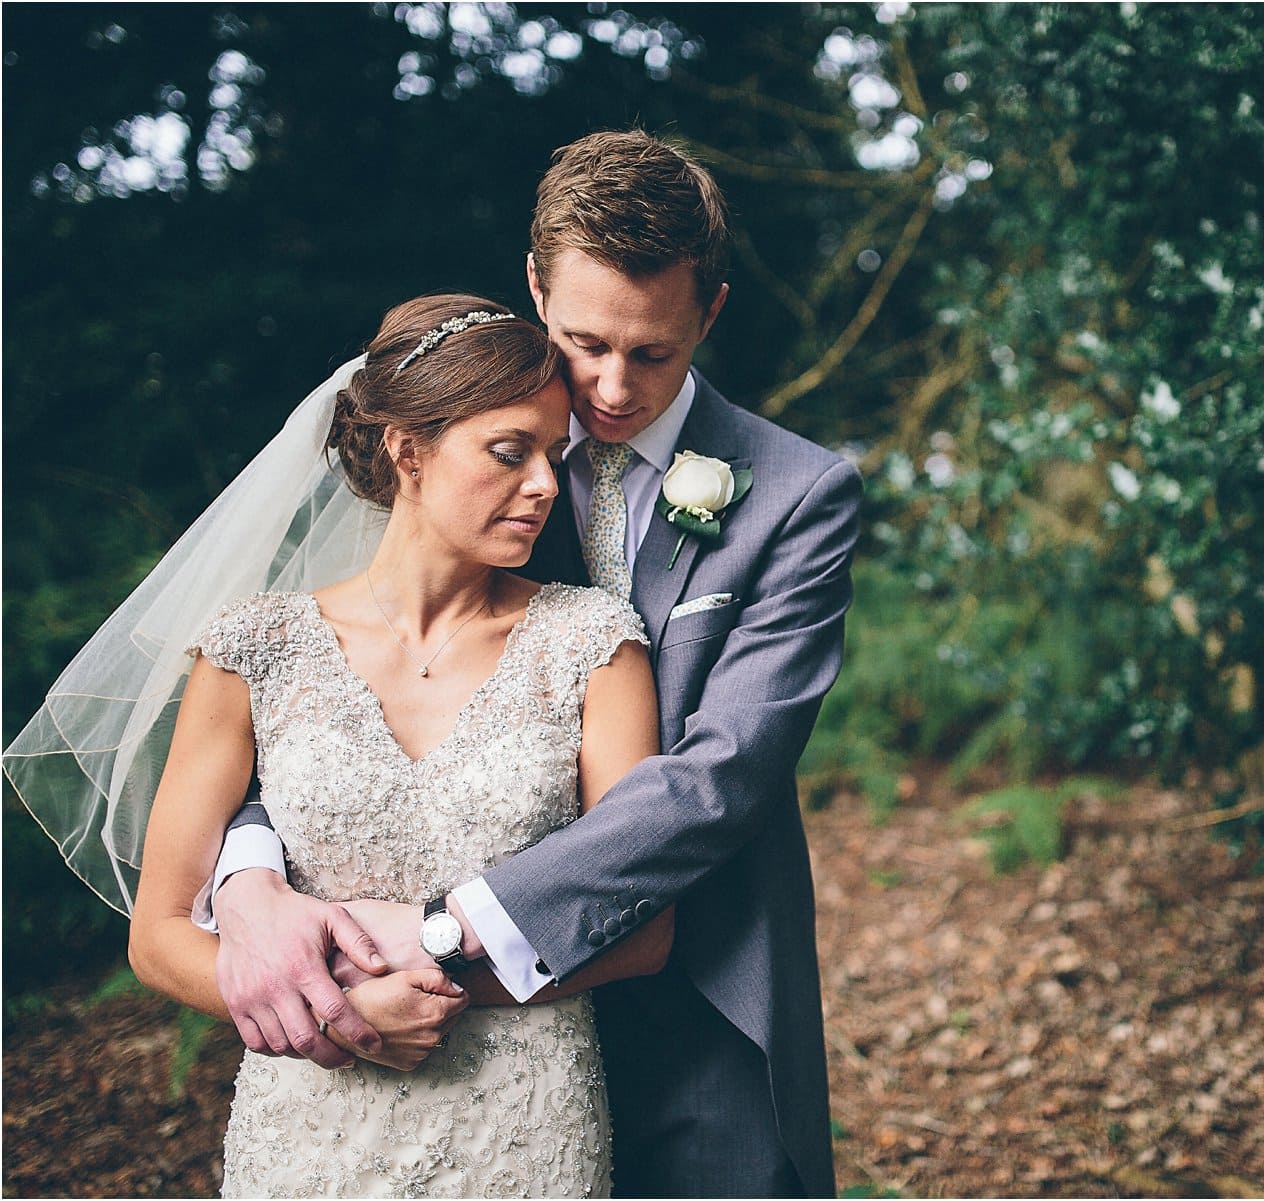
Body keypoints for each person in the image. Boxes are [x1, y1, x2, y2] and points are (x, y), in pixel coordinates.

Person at [206, 129, 862, 1198]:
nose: (610, 385)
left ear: (712, 311)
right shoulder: (473, 457)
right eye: (584, 340)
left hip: (692, 987)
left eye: (653, 352)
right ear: (532, 287)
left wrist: (443, 929)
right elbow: (333, 688)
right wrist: (249, 880)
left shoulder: (797, 497)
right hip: (449, 1046)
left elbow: (719, 777)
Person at [117, 291, 675, 1195]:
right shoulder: (254, 649)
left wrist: (440, 977)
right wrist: (339, 1017)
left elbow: (643, 927)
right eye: (510, 452)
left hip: (526, 1126)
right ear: (406, 449)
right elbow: (160, 933)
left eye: (553, 455)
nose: (543, 484)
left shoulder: (593, 643)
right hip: (308, 1129)